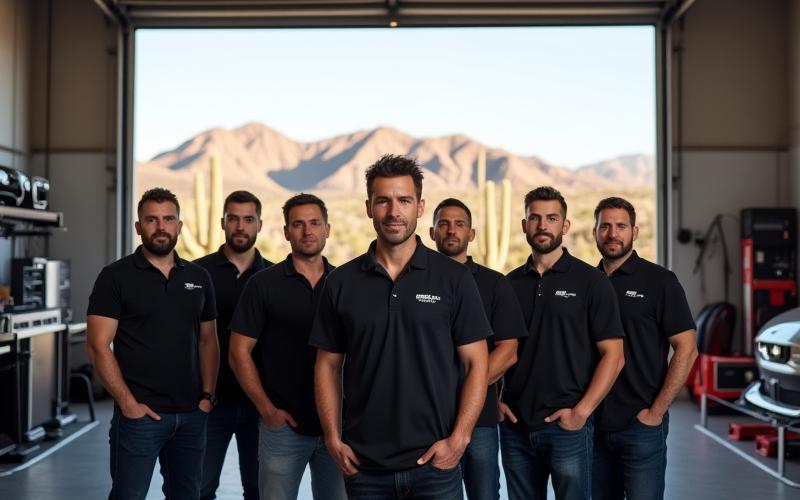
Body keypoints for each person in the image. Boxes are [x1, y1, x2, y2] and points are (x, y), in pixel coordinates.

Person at [311, 154, 492, 500]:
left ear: (420, 207)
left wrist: (460, 438)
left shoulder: (454, 278)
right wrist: (332, 438)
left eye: (404, 200)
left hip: (435, 466)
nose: (394, 211)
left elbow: (476, 363)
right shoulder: (341, 282)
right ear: (368, 207)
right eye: (383, 201)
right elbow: (328, 364)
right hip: (364, 468)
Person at [86, 187, 219, 500]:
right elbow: (97, 346)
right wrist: (129, 405)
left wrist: (206, 397)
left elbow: (208, 340)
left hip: (191, 415)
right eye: (151, 220)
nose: (161, 226)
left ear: (179, 226)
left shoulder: (199, 277)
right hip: (139, 418)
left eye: (168, 219)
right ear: (138, 227)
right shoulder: (115, 277)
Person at [500, 186, 625, 500]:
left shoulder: (591, 282)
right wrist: (493, 403)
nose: (543, 225)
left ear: (565, 226)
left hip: (566, 428)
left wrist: (581, 412)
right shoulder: (508, 285)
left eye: (552, 218)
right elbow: (492, 351)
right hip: (515, 427)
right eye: (535, 218)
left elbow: (614, 356)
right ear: (524, 225)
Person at [228, 193, 345, 500]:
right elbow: (238, 352)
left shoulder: (345, 284)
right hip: (283, 429)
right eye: (298, 224)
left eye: (315, 223)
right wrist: (267, 410)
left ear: (328, 229)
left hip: (337, 427)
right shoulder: (263, 284)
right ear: (285, 232)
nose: (307, 231)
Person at [591, 197, 697, 500]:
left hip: (640, 424)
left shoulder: (660, 281)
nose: (613, 234)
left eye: (621, 226)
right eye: (605, 226)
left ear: (634, 232)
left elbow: (687, 348)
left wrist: (656, 412)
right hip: (592, 425)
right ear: (595, 232)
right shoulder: (588, 282)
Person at [429, 197, 527, 500]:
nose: (451, 231)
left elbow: (509, 351)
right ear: (432, 232)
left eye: (459, 224)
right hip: (427, 419)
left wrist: (466, 390)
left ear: (472, 234)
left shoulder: (494, 284)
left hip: (480, 419)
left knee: (484, 494)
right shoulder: (414, 281)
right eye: (443, 224)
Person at [195, 190, 273, 500]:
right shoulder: (197, 274)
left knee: (258, 490)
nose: (240, 226)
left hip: (260, 405)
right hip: (209, 403)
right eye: (234, 219)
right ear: (223, 223)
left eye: (248, 219)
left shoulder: (273, 277)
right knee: (200, 489)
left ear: (260, 225)